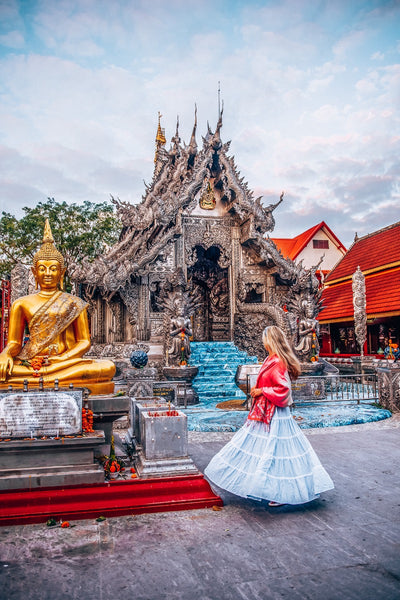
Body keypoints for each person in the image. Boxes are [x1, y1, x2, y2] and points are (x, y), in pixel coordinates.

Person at [204, 325, 334, 506]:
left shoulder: (278, 362)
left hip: (276, 413)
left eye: (265, 339)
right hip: (267, 411)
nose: (263, 342)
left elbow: (284, 390)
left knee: (277, 449)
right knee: (270, 449)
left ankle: (281, 492)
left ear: (270, 340)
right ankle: (269, 487)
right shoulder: (270, 359)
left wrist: (261, 390)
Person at [0, 219, 115, 394]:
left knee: (107, 367)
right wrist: (6, 353)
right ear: (34, 272)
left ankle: (45, 377)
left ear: (61, 272)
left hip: (66, 363)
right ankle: (45, 377)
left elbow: (84, 342)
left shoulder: (74, 303)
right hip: (31, 363)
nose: (47, 273)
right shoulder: (21, 304)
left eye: (53, 269)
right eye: (42, 269)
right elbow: (15, 342)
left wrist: (62, 359)